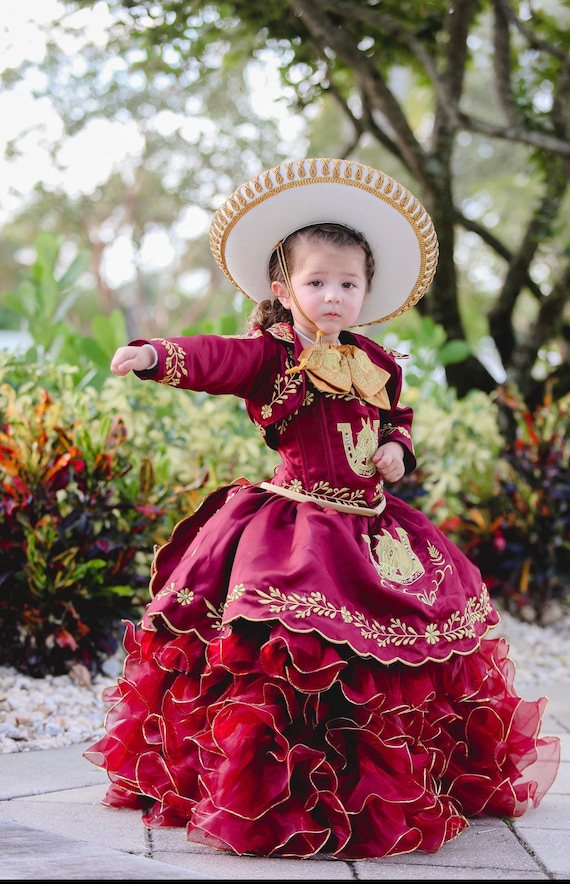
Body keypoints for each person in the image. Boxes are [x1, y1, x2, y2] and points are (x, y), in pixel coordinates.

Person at [84, 157, 560, 860]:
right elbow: (217, 358)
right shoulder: (272, 355)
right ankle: (276, 785)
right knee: (290, 651)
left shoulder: (377, 361)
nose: (333, 296)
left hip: (373, 524)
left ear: (368, 291)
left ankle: (392, 775)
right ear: (284, 290)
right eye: (317, 283)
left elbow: (395, 418)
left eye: (348, 284)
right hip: (297, 524)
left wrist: (397, 449)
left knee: (396, 647)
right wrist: (159, 354)